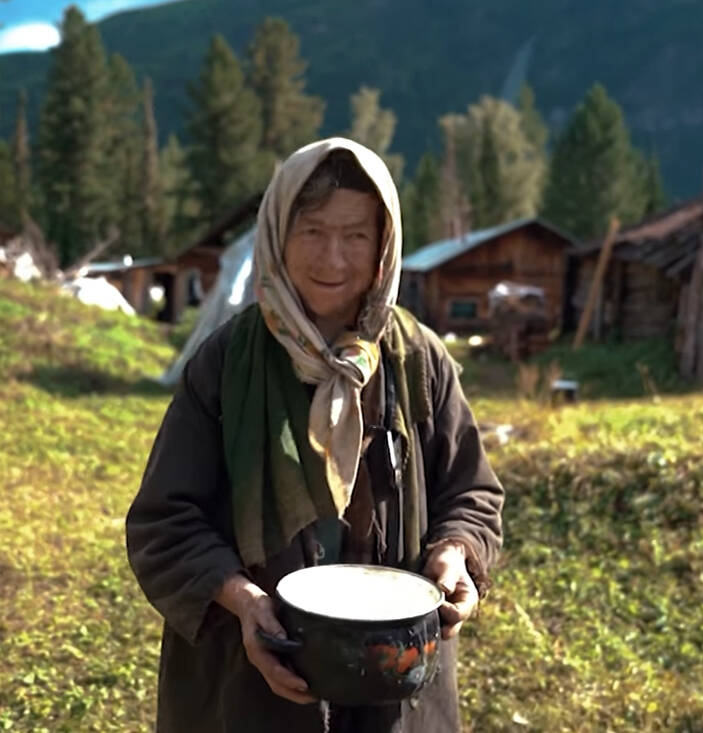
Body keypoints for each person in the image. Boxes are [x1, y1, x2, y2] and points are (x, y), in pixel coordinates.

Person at [126, 137, 504, 733]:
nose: (333, 258)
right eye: (313, 232)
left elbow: (471, 492)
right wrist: (244, 602)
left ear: (383, 246)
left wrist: (455, 552)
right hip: (252, 678)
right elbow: (164, 521)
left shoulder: (417, 359)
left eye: (355, 235)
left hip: (394, 675)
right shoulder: (227, 363)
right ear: (278, 235)